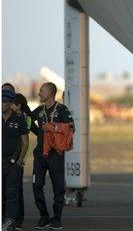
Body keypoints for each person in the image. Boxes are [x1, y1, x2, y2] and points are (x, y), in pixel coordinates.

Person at [30, 83, 74, 230]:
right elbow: (28, 121)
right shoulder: (39, 110)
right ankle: (44, 216)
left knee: (58, 187)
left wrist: (54, 128)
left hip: (56, 154)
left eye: (41, 91)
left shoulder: (61, 109)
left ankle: (56, 219)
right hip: (40, 154)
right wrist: (40, 133)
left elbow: (72, 127)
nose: (39, 93)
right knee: (36, 185)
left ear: (50, 92)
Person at [2, 89, 29, 231]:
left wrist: (19, 161)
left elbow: (25, 141)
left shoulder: (19, 120)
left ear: (11, 103)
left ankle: (10, 221)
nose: (2, 104)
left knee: (12, 193)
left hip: (12, 164)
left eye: (5, 102)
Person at [11, 93, 32, 230]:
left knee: (16, 190)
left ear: (18, 106)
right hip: (12, 157)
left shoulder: (24, 118)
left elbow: (24, 141)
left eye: (12, 103)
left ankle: (17, 220)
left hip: (17, 158)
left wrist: (19, 160)